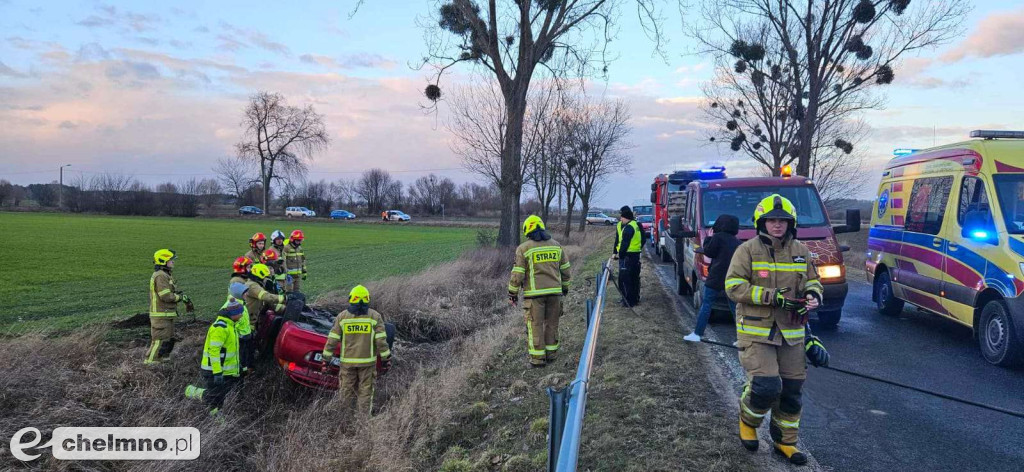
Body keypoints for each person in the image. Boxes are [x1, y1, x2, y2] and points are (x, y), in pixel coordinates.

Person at [724, 194, 824, 465]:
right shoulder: (746, 250)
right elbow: (733, 286)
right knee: (766, 386)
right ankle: (747, 421)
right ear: (762, 222)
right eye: (771, 220)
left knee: (792, 391)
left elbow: (813, 282)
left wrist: (814, 296)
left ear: (791, 223)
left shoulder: (801, 251)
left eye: (782, 220)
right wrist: (771, 296)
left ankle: (784, 441)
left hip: (792, 333)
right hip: (757, 332)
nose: (777, 225)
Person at [508, 215, 571, 367]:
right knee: (552, 324)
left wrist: (512, 293)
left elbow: (518, 274)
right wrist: (565, 287)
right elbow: (566, 270)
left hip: (535, 296)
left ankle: (537, 359)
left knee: (535, 325)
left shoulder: (524, 248)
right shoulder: (556, 245)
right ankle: (551, 355)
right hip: (555, 294)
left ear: (527, 230)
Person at [321, 285, 392, 417]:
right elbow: (381, 341)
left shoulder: (342, 317)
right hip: (367, 364)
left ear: (351, 299)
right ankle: (362, 422)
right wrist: (386, 359)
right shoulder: (375, 317)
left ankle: (345, 421)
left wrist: (325, 360)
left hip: (347, 364)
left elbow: (332, 340)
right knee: (365, 393)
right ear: (367, 300)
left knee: (346, 393)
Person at [684, 214, 741, 342]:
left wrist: (709, 237)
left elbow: (709, 251)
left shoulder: (718, 237)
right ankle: (741, 338)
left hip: (716, 277)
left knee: (707, 305)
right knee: (735, 309)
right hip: (732, 278)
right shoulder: (737, 242)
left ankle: (697, 334)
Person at [184, 298, 244, 416]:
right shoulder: (220, 328)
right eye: (240, 312)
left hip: (223, 370)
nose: (242, 315)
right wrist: (217, 372)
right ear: (233, 314)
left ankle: (216, 416)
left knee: (220, 396)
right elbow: (214, 352)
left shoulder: (231, 325)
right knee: (214, 396)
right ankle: (192, 392)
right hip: (213, 370)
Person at [146, 249, 191, 365]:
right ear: (163, 261)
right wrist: (179, 297)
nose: (173, 262)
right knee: (160, 342)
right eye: (171, 260)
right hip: (161, 315)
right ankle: (150, 365)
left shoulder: (165, 275)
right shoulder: (160, 276)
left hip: (166, 314)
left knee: (168, 341)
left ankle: (164, 364)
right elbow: (165, 296)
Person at [243, 263, 286, 345]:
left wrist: (284, 308)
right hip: (247, 322)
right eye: (265, 277)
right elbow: (267, 297)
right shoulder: (252, 286)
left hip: (252, 320)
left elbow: (268, 303)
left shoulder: (256, 285)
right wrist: (284, 298)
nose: (266, 279)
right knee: (247, 346)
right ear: (259, 276)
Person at [612, 206, 644, 307]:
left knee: (625, 279)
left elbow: (625, 243)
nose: (620, 218)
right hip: (633, 256)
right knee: (633, 278)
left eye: (621, 216)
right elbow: (617, 240)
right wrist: (614, 252)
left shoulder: (630, 226)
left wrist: (620, 255)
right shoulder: (633, 225)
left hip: (627, 256)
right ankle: (632, 299)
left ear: (626, 216)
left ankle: (628, 301)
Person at [227, 258, 255, 373]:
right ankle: (242, 369)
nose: (251, 269)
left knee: (246, 346)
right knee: (242, 347)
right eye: (248, 267)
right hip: (239, 319)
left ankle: (245, 368)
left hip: (241, 316)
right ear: (242, 268)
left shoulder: (241, 279)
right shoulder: (237, 281)